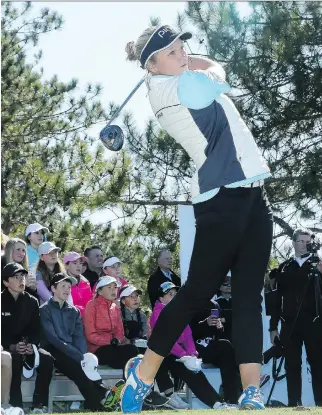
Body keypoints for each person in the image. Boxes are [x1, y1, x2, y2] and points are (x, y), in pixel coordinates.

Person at [120, 24, 273, 413]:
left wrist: (181, 59)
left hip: (252, 195)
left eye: (181, 47)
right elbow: (217, 68)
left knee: (248, 299)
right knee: (194, 296)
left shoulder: (172, 79)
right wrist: (195, 63)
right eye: (171, 53)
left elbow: (206, 64)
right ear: (152, 66)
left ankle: (251, 392)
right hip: (222, 199)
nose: (182, 54)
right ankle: (144, 373)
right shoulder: (186, 87)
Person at [39, 272, 124, 411]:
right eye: (63, 286)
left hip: (72, 352)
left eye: (69, 286)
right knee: (78, 368)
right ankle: (104, 396)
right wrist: (78, 356)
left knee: (84, 367)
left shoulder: (74, 311)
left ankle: (100, 403)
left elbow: (79, 336)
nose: (67, 289)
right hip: (53, 351)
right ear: (53, 289)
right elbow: (53, 339)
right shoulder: (44, 310)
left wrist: (84, 355)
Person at [149, 282, 234, 410]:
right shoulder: (158, 313)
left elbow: (188, 334)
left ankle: (217, 403)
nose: (174, 296)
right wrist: (184, 355)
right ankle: (172, 395)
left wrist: (193, 353)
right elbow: (167, 340)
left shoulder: (179, 311)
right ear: (161, 299)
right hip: (165, 355)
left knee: (194, 370)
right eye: (170, 294)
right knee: (188, 370)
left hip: (178, 353)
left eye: (175, 294)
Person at [269, 228, 322, 407]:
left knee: (318, 365)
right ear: (293, 242)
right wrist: (273, 327)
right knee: (291, 366)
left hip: (314, 324)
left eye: (308, 241)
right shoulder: (285, 267)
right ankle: (294, 404)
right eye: (301, 241)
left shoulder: (318, 264)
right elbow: (276, 300)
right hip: (289, 324)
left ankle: (320, 404)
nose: (305, 244)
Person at [1, 263, 53, 412]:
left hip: (27, 345)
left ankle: (39, 404)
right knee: (14, 358)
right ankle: (16, 406)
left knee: (47, 359)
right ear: (6, 282)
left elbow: (37, 330)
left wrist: (32, 345)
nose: (21, 280)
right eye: (16, 277)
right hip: (6, 348)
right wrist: (10, 345)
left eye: (23, 276)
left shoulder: (32, 301)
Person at [190, 297, 241, 404]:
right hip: (193, 348)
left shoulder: (214, 305)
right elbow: (186, 332)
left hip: (211, 346)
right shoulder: (188, 305)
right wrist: (205, 323)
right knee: (226, 347)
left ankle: (232, 399)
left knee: (227, 350)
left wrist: (219, 327)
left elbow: (219, 335)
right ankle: (236, 391)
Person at [216, 272, 233, 342]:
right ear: (219, 286)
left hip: (237, 335)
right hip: (223, 337)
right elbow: (216, 320)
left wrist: (225, 319)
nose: (229, 285)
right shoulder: (215, 303)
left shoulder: (238, 302)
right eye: (225, 283)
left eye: (231, 284)